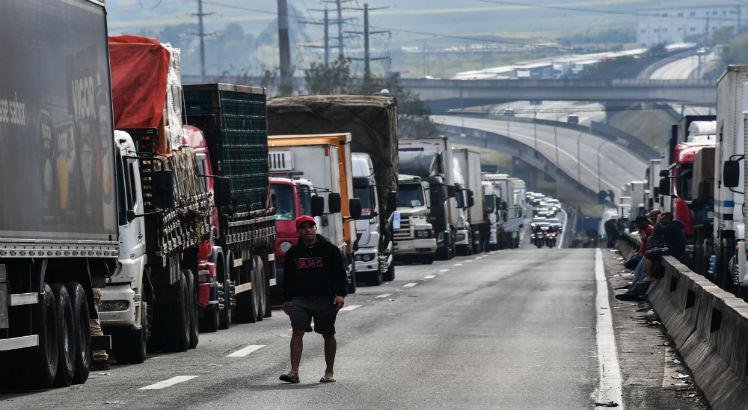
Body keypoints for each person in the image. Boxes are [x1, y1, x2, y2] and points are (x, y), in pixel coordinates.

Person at [279, 215, 347, 384]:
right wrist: (287, 299)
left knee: (327, 333)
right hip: (301, 299)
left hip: (325, 299)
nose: (308, 230)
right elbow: (287, 278)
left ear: (315, 228)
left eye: (310, 226)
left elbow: (340, 274)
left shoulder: (330, 250)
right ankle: (294, 372)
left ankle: (329, 371)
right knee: (297, 331)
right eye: (303, 227)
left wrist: (340, 294)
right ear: (298, 231)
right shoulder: (293, 253)